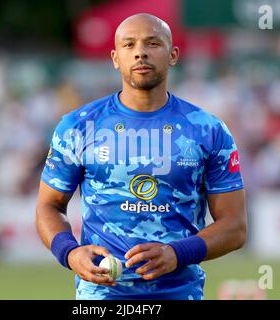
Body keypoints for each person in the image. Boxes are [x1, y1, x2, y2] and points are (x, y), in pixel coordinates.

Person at [36, 13, 247, 300]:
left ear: (173, 55)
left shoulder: (208, 130)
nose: (140, 52)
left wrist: (176, 253)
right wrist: (70, 253)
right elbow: (49, 206)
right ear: (114, 57)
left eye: (152, 43)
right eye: (129, 45)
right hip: (101, 294)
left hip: (180, 292)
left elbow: (235, 226)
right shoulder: (78, 126)